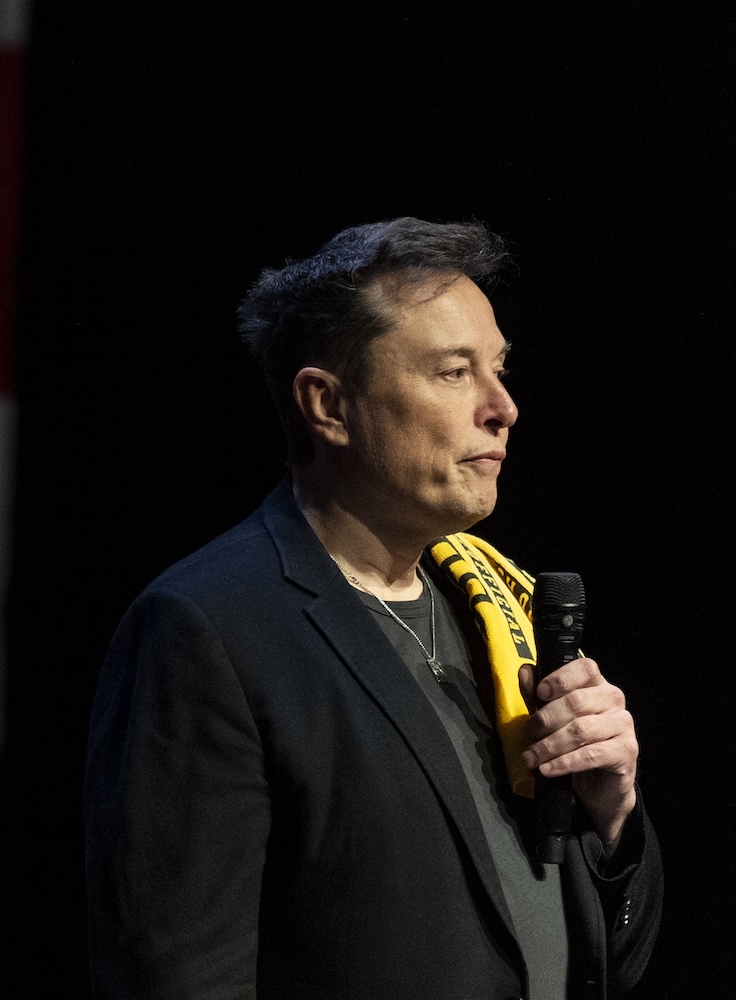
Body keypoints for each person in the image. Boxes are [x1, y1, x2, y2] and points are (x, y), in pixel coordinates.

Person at [83, 218, 662, 999]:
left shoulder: (493, 609)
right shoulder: (209, 628)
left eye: (499, 369)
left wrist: (613, 815)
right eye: (455, 373)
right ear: (329, 405)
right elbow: (179, 974)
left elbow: (605, 961)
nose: (504, 407)